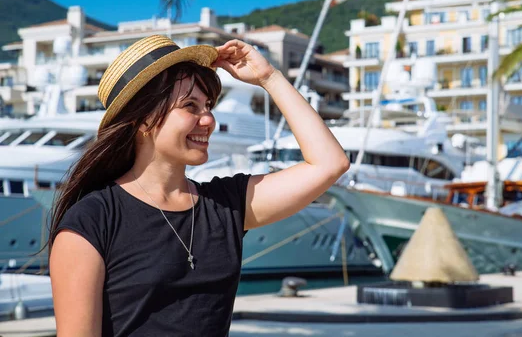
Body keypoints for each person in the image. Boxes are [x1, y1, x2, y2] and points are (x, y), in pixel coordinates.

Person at [48, 35, 350, 337]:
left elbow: (329, 164)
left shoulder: (224, 205)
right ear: (143, 118)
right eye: (190, 106)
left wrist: (269, 78)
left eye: (208, 105)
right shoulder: (92, 221)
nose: (208, 119)